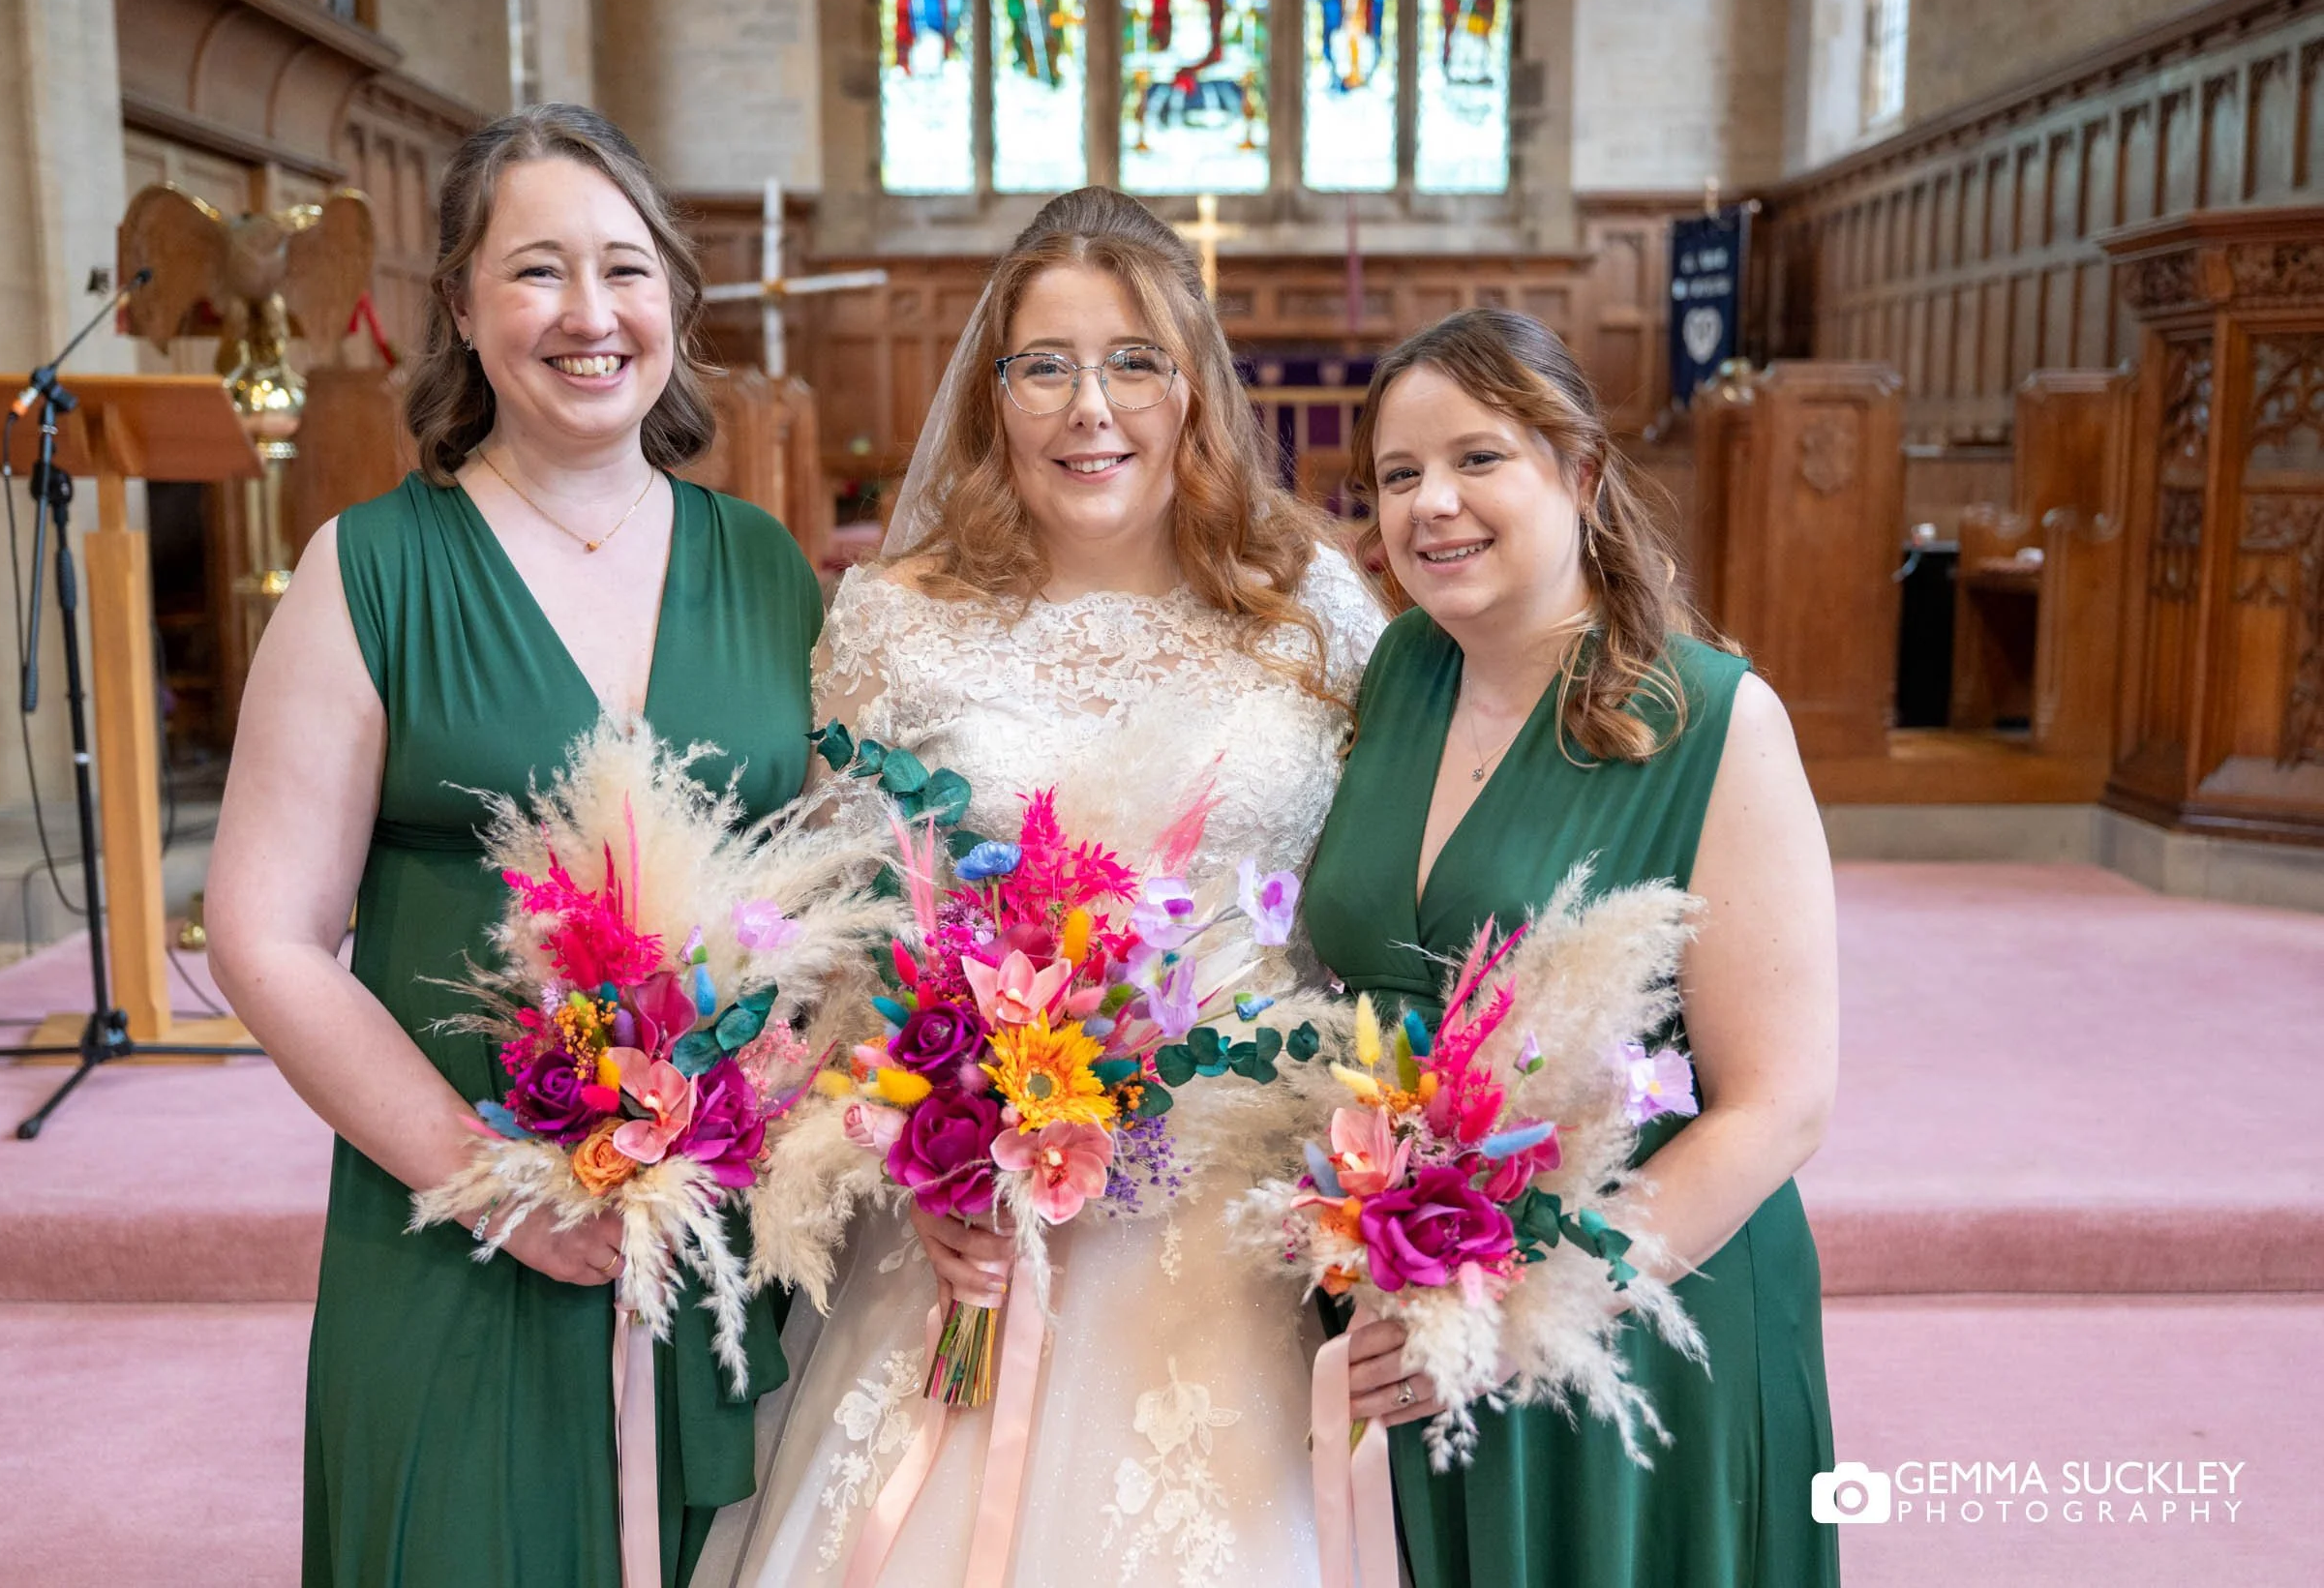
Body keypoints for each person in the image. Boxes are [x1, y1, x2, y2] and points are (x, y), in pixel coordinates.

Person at [716, 187, 1388, 1588]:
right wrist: (916, 1147)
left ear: (1194, 386)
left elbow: (1376, 895)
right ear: (994, 393)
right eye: (1046, 365)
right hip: (972, 1229)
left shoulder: (1312, 606)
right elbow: (844, 943)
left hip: (1239, 1210)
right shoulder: (898, 621)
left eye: (1134, 360)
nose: (1094, 406)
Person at [206, 104, 821, 1588]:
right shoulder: (375, 567)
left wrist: (784, 1079)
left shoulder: (765, 563)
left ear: (676, 295)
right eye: (538, 272)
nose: (591, 315)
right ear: (465, 311)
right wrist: (489, 1179)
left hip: (726, 1231)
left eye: (626, 268)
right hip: (458, 1220)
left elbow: (826, 890)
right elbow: (264, 932)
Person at [1299, 308, 1841, 1587]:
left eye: (1478, 459)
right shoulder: (1400, 677)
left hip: (1634, 1311)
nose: (1433, 504)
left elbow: (1781, 1105)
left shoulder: (1711, 717)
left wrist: (1522, 1309)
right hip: (1417, 1305)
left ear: (1580, 471)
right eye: (1397, 474)